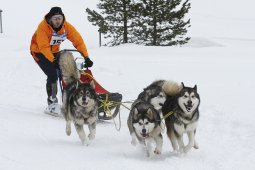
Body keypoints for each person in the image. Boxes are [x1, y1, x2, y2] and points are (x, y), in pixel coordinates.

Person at [30, 7, 93, 114]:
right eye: (55, 18)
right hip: (39, 52)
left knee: (66, 73)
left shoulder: (66, 27)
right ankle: (52, 103)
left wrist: (86, 57)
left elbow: (78, 41)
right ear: (50, 19)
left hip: (54, 52)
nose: (58, 21)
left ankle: (68, 99)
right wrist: (52, 60)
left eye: (60, 18)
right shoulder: (43, 27)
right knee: (53, 74)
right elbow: (43, 46)